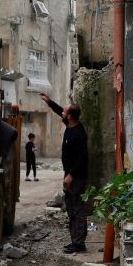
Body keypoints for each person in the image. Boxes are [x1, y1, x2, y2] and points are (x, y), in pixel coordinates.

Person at [40, 93, 88, 253]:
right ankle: (75, 240)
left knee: (78, 209)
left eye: (65, 112)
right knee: (70, 209)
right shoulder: (70, 125)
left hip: (76, 177)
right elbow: (59, 110)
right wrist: (49, 102)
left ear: (71, 117)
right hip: (69, 176)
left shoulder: (79, 134)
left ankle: (79, 243)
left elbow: (82, 159)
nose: (62, 113)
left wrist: (70, 176)